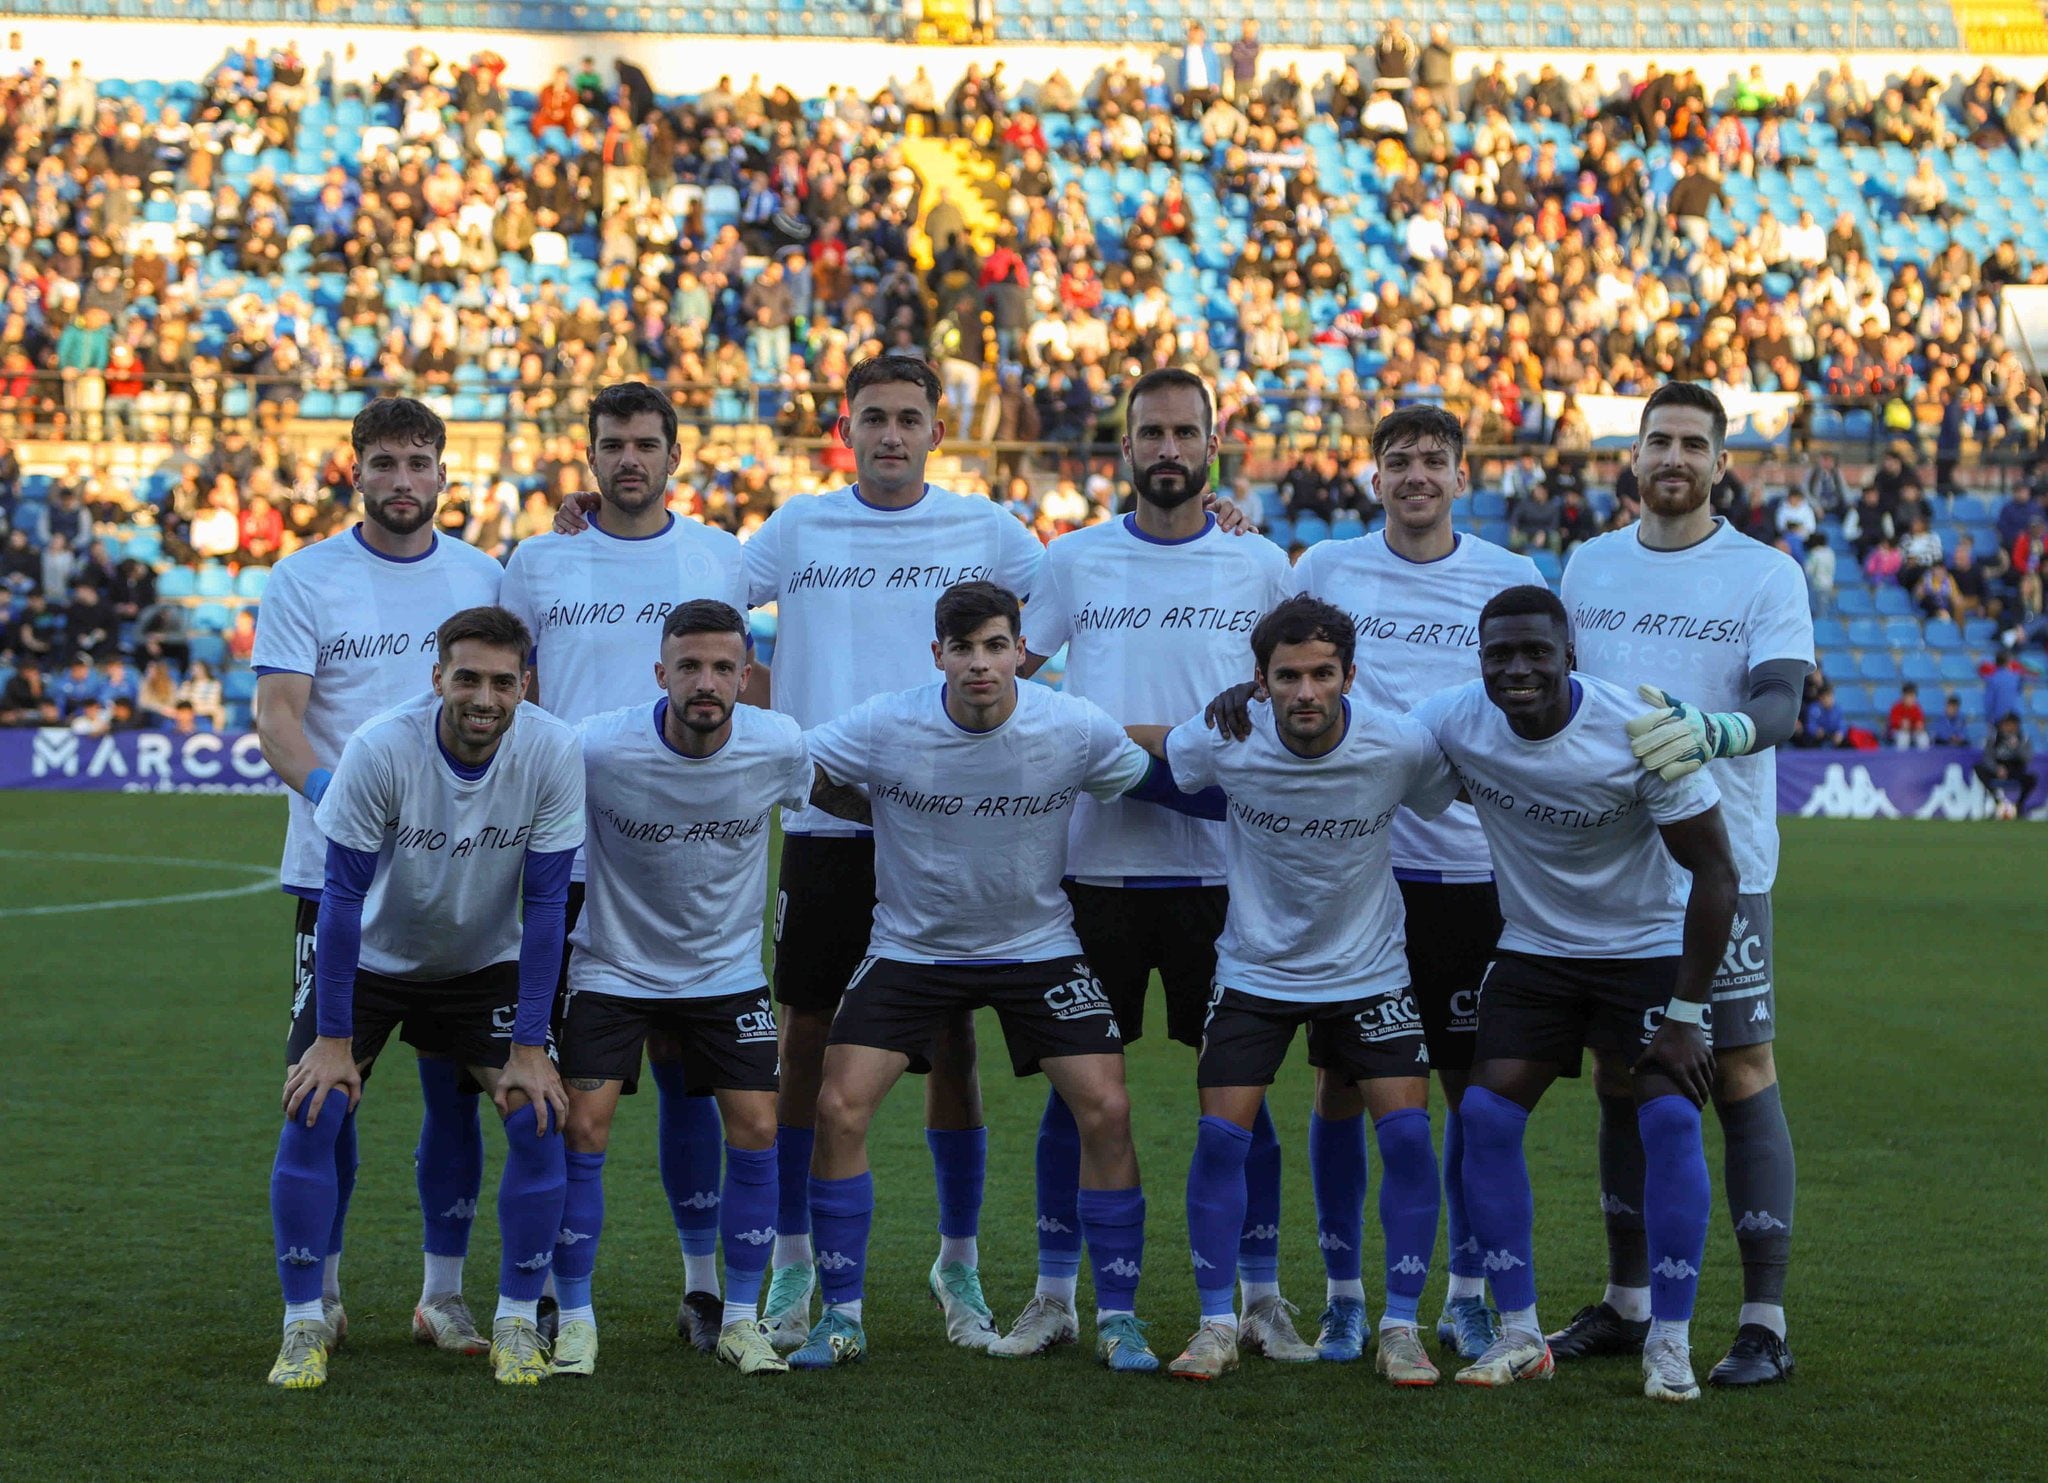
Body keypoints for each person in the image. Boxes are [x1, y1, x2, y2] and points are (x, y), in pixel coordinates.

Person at [558, 355, 1041, 1350]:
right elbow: (693, 594)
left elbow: (1054, 612)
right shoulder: (798, 526)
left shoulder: (988, 528)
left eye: (909, 418)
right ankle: (787, 1265)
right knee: (801, 1041)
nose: (891, 435)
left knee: (950, 1043)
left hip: (943, 824)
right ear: (845, 427)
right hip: (827, 825)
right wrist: (591, 527)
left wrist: (971, 722)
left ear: (935, 428)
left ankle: (958, 1263)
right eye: (873, 418)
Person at [1208, 405, 1541, 1364]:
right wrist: (1233, 528)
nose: (1417, 476)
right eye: (1400, 461)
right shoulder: (1326, 568)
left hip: (1475, 865)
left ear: (1462, 474)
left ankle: (1465, 1294)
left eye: (1435, 460)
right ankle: (1349, 1297)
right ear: (1375, 476)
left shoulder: (1507, 577)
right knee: (1344, 1086)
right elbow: (1275, 650)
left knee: (1469, 1091)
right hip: (1360, 869)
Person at [791, 580, 1188, 1373]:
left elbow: (1158, 780)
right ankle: (839, 1316)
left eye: (996, 645)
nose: (981, 663)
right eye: (963, 648)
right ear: (936, 654)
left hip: (1036, 945)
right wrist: (877, 813)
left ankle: (1117, 1318)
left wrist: (1279, 770)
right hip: (910, 947)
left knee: (1107, 1106)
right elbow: (801, 768)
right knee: (837, 1106)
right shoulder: (885, 722)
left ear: (1022, 651)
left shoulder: (1069, 724)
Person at [996, 369, 1299, 1364]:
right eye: (1149, 433)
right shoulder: (1073, 560)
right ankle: (1053, 1295)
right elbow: (1010, 681)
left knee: (1240, 1101)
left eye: (1185, 432)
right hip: (1093, 875)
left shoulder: (1260, 565)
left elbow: (1294, 703)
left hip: (1225, 876)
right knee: (1071, 1094)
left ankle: (1261, 1297)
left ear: (1213, 443)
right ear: (1122, 448)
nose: (1167, 448)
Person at [1411, 584, 1738, 1402]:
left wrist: (1688, 1016)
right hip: (1534, 954)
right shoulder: (1454, 720)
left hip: (1644, 951)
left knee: (1666, 1116)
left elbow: (1718, 873)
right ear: (1480, 660)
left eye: (1535, 652)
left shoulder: (1635, 734)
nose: (1517, 668)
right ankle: (1521, 1333)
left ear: (1570, 657)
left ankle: (1669, 1340)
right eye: (1500, 654)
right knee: (1483, 1115)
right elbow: (1367, 744)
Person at [1131, 596, 1459, 1386]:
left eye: (1321, 674)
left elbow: (1455, 793)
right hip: (1254, 970)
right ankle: (1217, 1322)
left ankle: (1401, 1327)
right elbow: (1154, 751)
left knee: (1411, 1139)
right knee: (1219, 1140)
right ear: (1259, 681)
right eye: (1287, 676)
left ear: (1350, 675)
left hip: (1370, 969)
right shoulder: (1226, 736)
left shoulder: (1398, 743)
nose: (1305, 691)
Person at [1559, 382, 1813, 1387]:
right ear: (1633, 456)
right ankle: (1626, 1302)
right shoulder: (1588, 562)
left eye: (1690, 443)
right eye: (1656, 439)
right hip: (1606, 868)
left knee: (1739, 1067)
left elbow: (1781, 699)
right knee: (1619, 1075)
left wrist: (1716, 732)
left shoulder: (1763, 572)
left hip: (1722, 865)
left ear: (1718, 462)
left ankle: (1762, 1321)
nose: (1671, 455)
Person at [267, 605, 584, 1389]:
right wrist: (334, 1040)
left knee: (537, 1114)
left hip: (481, 964)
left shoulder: (552, 749)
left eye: (502, 681)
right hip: (370, 958)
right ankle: (308, 1319)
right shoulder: (382, 746)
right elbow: (340, 899)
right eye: (467, 677)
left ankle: (501, 1316)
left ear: (525, 684)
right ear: (437, 675)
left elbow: (546, 908)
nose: (484, 696)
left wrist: (531, 1047)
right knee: (316, 1103)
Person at [500, 380, 749, 1350]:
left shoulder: (723, 555)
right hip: (564, 852)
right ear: (590, 453)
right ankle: (561, 1286)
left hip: (684, 855)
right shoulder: (539, 559)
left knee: (688, 1077)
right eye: (612, 444)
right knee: (564, 1079)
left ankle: (700, 1287)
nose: (629, 458)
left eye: (647, 443)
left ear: (674, 454)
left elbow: (744, 674)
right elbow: (510, 684)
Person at [254, 398, 505, 1358]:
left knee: (455, 1096)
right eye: (385, 462)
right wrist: (345, 799)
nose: (403, 480)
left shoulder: (483, 575)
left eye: (420, 462)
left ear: (445, 473)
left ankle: (443, 1296)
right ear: (355, 469)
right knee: (326, 1088)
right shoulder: (305, 577)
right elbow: (280, 719)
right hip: (338, 877)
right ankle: (315, 1298)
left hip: (461, 883)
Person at [553, 601, 812, 1379]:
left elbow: (821, 804)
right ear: (660, 673)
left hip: (724, 974)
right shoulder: (599, 747)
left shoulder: (779, 745)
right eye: (690, 666)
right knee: (583, 1129)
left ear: (746, 675)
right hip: (612, 965)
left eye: (723, 667)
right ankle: (572, 1316)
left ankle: (738, 1316)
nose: (707, 682)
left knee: (760, 1128)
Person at [1975, 713, 2038, 818]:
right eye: (2007, 724)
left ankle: (2019, 805)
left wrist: (2017, 747)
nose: (2009, 728)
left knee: (2031, 779)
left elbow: (2027, 758)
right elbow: (1987, 757)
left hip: (2014, 769)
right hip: (1998, 768)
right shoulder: (1994, 737)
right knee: (1979, 769)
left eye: (2012, 725)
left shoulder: (2023, 738)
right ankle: (1998, 800)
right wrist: (1996, 768)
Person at [1888, 682, 1929, 748]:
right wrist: (1901, 723)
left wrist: (1919, 726)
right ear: (1903, 696)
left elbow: (1920, 721)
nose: (1911, 699)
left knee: (1923, 736)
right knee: (1904, 736)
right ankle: (1902, 758)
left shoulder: (1917, 708)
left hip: (1912, 731)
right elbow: (1892, 722)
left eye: (1913, 696)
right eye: (1909, 696)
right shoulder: (1896, 707)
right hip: (1898, 731)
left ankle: (1923, 757)